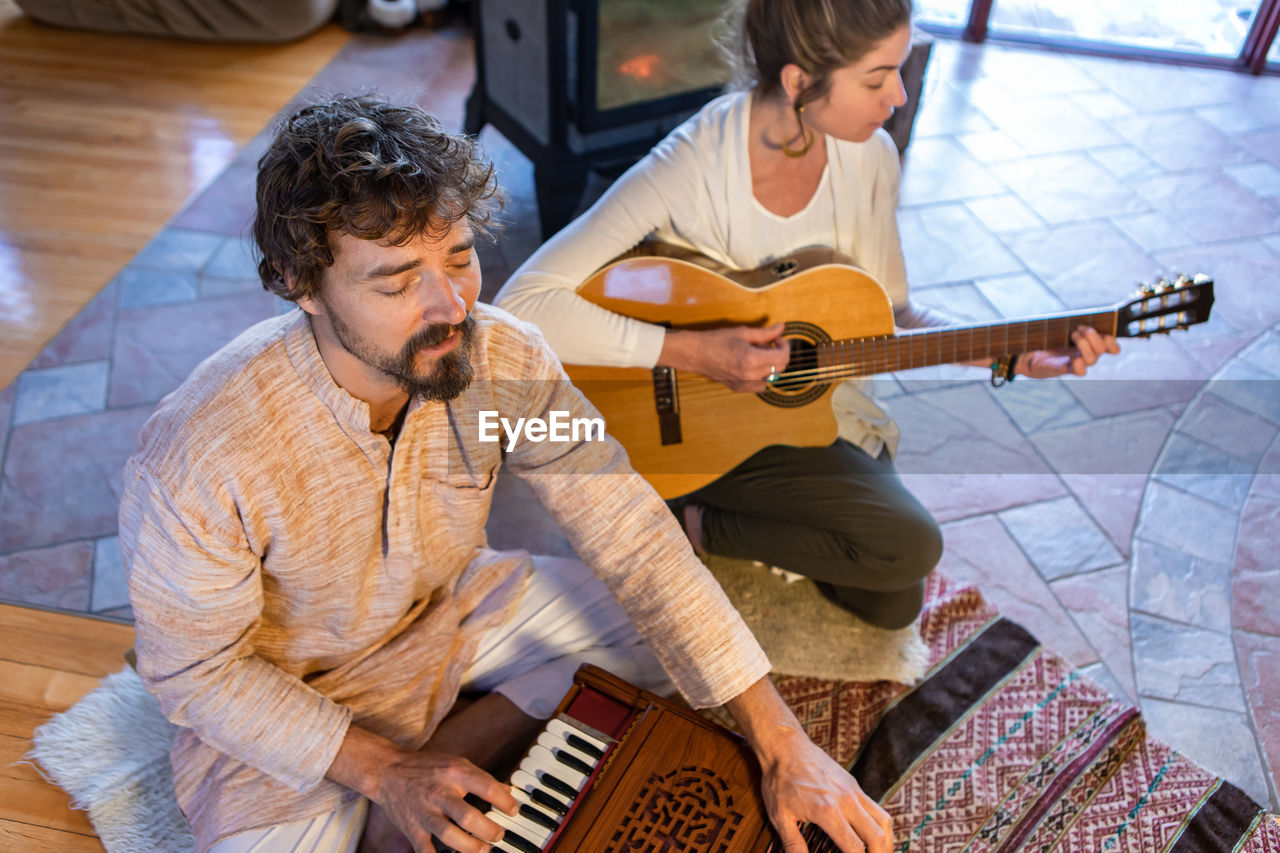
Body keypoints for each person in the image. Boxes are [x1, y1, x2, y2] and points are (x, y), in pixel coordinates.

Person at [120, 94, 892, 853]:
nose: (451, 304)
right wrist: (387, 772)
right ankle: (414, 774)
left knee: (684, 651)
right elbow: (196, 670)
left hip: (456, 615)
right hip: (298, 689)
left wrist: (784, 744)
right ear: (299, 283)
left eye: (460, 256)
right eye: (395, 282)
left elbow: (631, 532)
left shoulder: (504, 357)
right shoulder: (202, 453)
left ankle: (463, 731)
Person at [495, 0, 1118, 630]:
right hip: (681, 412)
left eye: (899, 71)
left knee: (893, 595)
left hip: (792, 416)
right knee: (910, 545)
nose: (898, 97)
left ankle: (694, 525)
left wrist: (1016, 355)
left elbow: (896, 316)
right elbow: (523, 303)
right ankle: (680, 492)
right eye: (876, 79)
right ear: (798, 81)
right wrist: (696, 353)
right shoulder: (694, 164)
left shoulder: (869, 155)